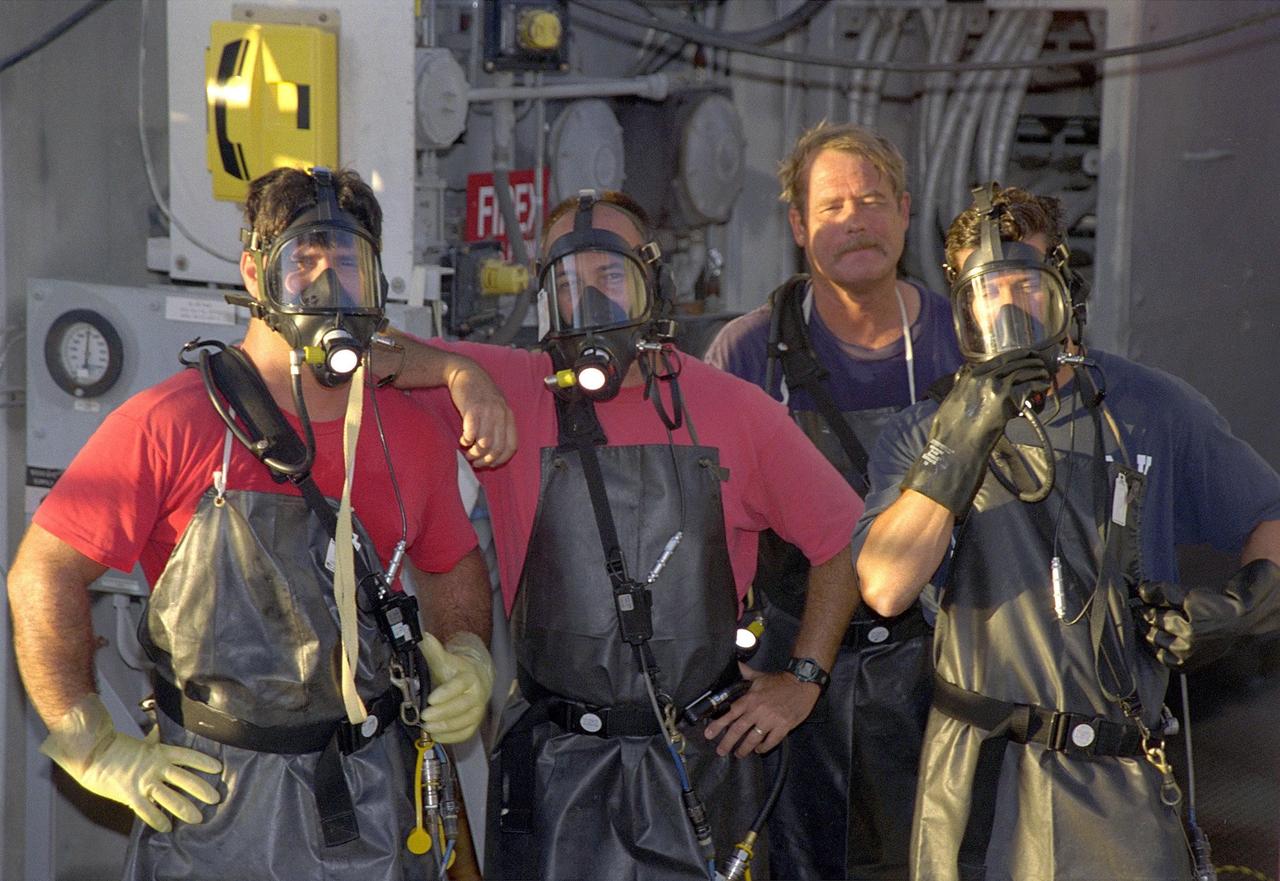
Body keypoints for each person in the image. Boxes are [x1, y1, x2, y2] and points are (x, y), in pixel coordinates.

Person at [7, 166, 502, 881]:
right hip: (214, 810)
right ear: (253, 271)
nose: (327, 285)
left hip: (374, 806)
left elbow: (451, 562)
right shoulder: (169, 425)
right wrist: (90, 740)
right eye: (304, 260)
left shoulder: (411, 434)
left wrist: (468, 654)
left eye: (348, 262)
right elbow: (42, 571)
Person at [385, 189, 864, 881]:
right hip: (554, 773)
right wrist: (462, 374)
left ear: (651, 281)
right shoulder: (517, 386)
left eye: (610, 274)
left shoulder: (735, 409)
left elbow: (844, 540)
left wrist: (805, 679)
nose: (589, 300)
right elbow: (369, 351)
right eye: (566, 281)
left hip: (703, 766)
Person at [854, 183, 1280, 881]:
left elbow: (1271, 512)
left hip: (1120, 775)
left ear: (1064, 290)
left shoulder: (1148, 408)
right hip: (978, 781)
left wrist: (1237, 607)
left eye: (1026, 284)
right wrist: (960, 441)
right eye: (987, 292)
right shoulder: (923, 432)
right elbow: (885, 586)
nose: (1009, 308)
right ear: (963, 309)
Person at [703, 121, 961, 880]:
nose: (856, 221)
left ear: (905, 213)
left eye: (874, 201)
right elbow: (706, 531)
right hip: (786, 673)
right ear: (797, 226)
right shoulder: (747, 354)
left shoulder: (963, 344)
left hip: (940, 672)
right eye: (833, 206)